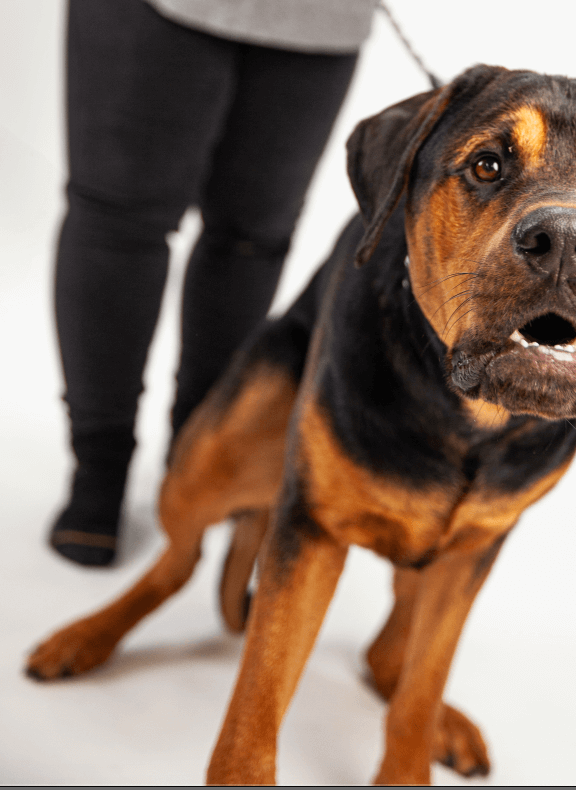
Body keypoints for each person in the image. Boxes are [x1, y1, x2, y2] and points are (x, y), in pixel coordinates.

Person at [50, 0, 375, 566]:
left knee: (252, 239)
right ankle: (99, 463)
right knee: (117, 223)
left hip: (321, 18)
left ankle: (199, 449)